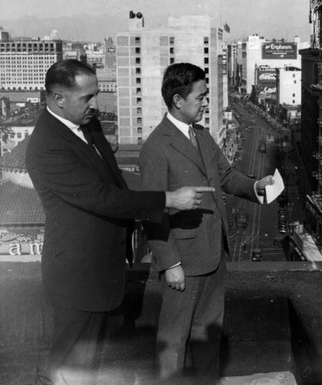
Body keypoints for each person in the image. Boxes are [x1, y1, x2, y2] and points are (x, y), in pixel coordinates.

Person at [25, 59, 213, 385]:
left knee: (89, 365)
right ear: (57, 99)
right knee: (65, 365)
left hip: (101, 272)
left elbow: (116, 179)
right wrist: (168, 199)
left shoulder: (88, 125)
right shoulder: (46, 147)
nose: (94, 105)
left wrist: (161, 188)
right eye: (87, 98)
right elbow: (103, 197)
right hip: (76, 278)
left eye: (95, 95)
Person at [138, 63, 274, 383]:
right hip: (184, 262)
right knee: (174, 341)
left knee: (208, 336)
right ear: (177, 100)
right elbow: (151, 211)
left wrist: (255, 187)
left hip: (214, 255)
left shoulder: (201, 135)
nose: (204, 102)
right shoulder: (157, 147)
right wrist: (170, 262)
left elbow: (225, 175)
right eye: (199, 97)